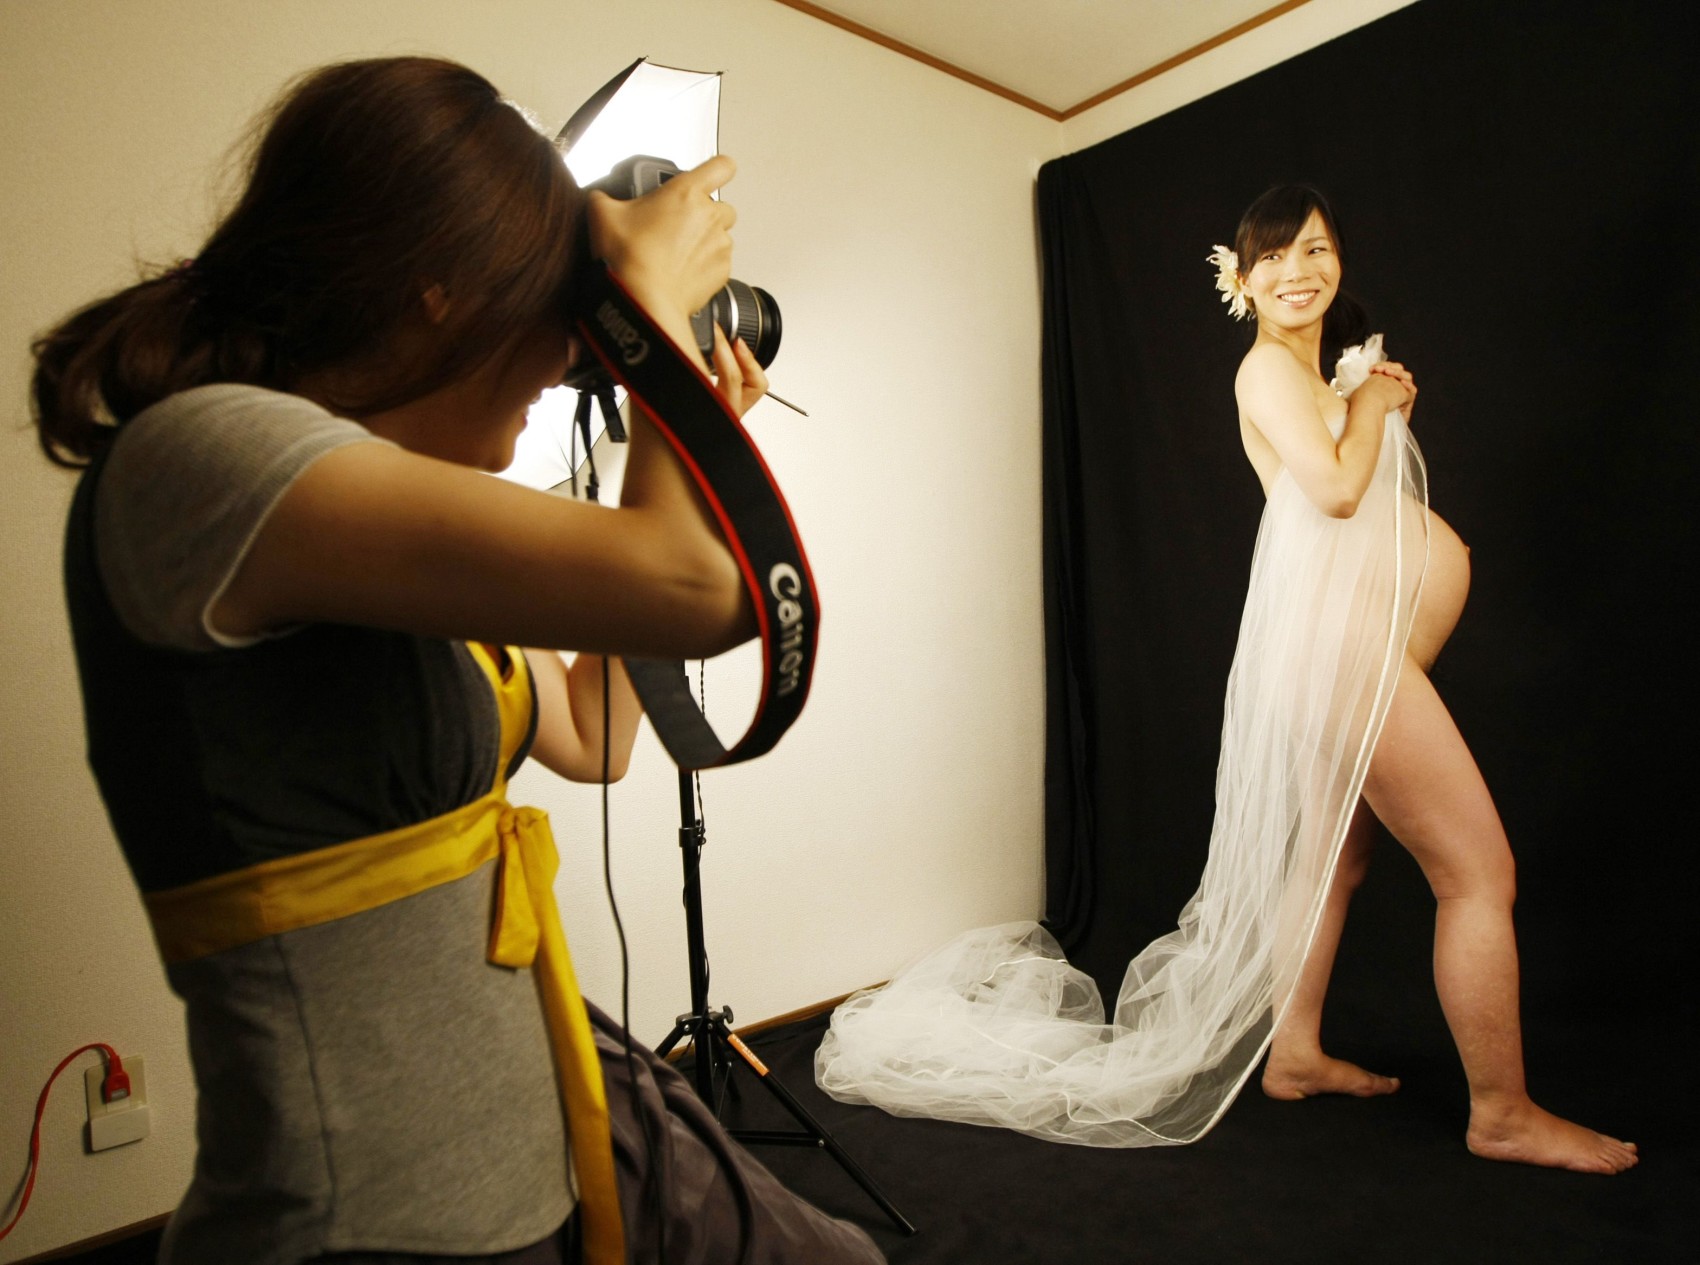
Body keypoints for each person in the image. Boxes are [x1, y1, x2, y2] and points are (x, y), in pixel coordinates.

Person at [35, 56, 885, 1264]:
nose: (564, 359)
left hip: (564, 1121)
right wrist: (655, 351)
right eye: (560, 314)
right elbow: (699, 592)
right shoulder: (204, 459)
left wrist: (687, 429)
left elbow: (594, 733)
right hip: (382, 1223)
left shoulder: (366, 538)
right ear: (438, 289)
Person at [815, 186, 1637, 1176]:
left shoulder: (1308, 376)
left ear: (1337, 264)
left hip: (1341, 653)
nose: (1298, 267)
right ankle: (1500, 1111)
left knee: (1328, 863)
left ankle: (1290, 1051)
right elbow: (1334, 494)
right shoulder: (1268, 373)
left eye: (1316, 248)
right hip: (1340, 658)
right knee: (1476, 874)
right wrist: (1374, 403)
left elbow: (1345, 489)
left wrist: (1365, 403)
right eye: (1274, 256)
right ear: (1241, 282)